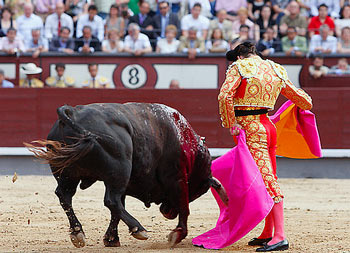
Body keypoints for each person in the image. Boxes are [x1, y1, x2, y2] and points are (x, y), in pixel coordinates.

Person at [218, 41, 312, 252]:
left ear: (240, 57)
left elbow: (224, 96)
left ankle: (280, 236)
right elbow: (303, 100)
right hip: (269, 127)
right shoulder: (275, 68)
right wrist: (303, 105)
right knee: (268, 176)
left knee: (267, 181)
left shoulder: (239, 67)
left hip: (251, 129)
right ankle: (268, 232)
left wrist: (230, 123)